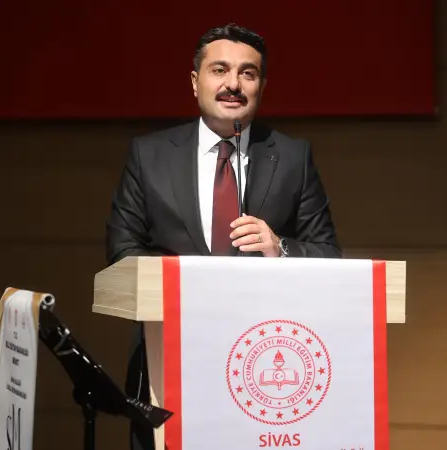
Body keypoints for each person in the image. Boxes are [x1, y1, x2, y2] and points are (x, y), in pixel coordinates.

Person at [105, 23, 341, 450]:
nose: (233, 84)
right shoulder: (149, 154)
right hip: (167, 360)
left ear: (262, 86)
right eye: (220, 70)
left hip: (260, 367)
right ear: (195, 81)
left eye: (248, 73)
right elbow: (122, 253)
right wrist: (186, 285)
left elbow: (329, 255)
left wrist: (280, 248)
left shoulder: (293, 157)